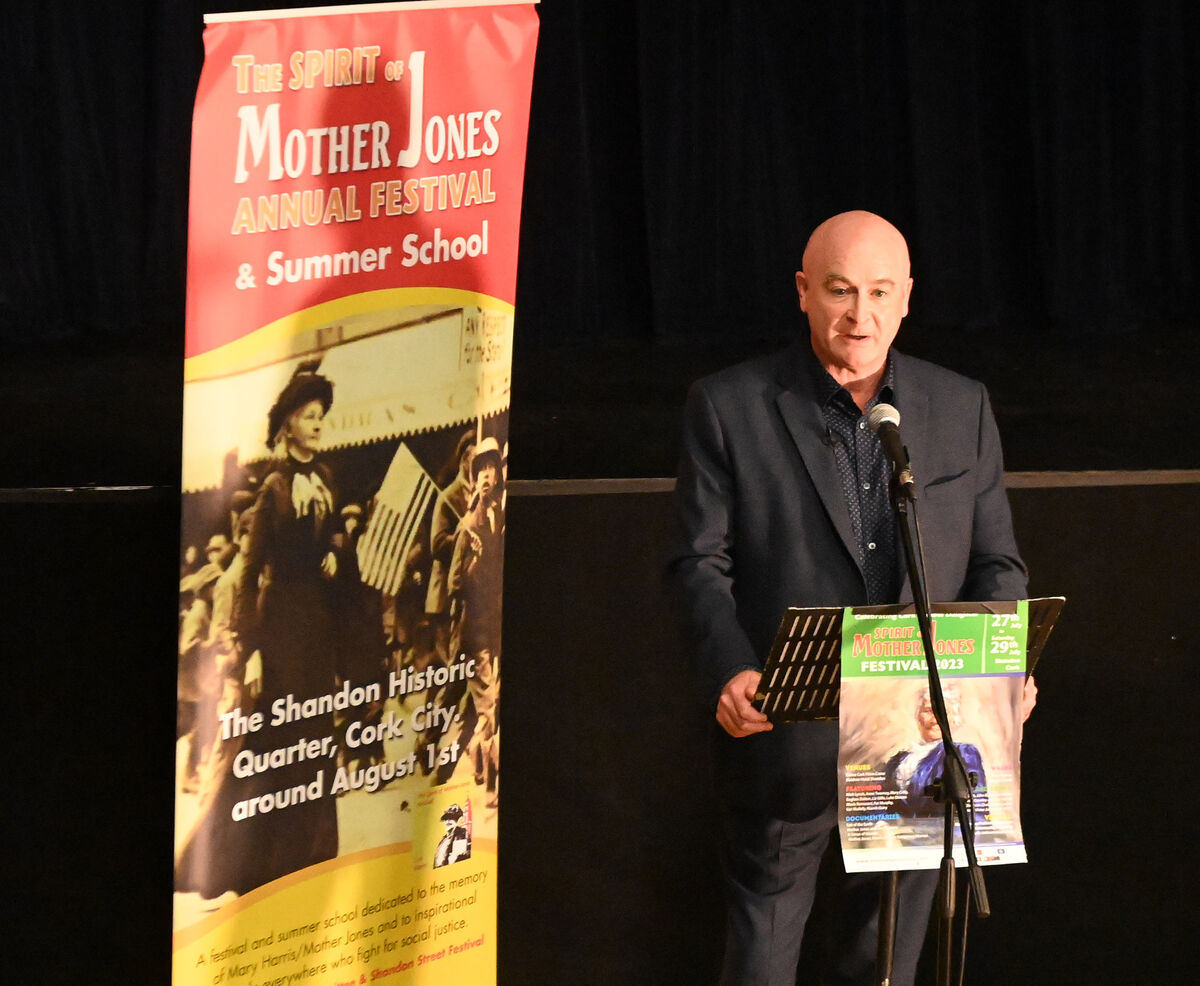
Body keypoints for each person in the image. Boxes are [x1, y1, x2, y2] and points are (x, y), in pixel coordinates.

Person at [666, 211, 1035, 986]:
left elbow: (997, 565)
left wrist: (994, 677)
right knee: (761, 965)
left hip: (920, 744)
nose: (859, 316)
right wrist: (730, 671)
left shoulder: (959, 407)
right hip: (785, 741)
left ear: (907, 299)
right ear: (804, 292)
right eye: (838, 291)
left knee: (882, 968)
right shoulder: (729, 406)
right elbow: (698, 561)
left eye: (878, 293)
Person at [176, 360, 341, 899]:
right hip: (280, 625)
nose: (316, 424)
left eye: (321, 415)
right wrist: (247, 647)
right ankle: (245, 860)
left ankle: (313, 851)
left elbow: (331, 537)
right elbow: (249, 571)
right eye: (307, 415)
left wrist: (335, 555)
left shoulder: (328, 477)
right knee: (276, 739)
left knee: (317, 733)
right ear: (288, 424)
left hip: (315, 622)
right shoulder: (274, 486)